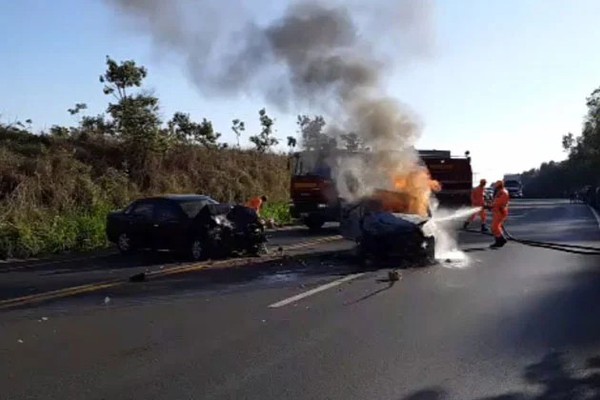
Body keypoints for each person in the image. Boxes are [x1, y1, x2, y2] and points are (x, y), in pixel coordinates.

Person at [489, 180, 510, 248]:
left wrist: (490, 206)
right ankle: (500, 240)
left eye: (496, 187)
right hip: (499, 211)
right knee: (497, 227)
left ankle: (500, 240)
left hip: (500, 211)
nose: (495, 188)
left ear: (498, 186)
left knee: (494, 227)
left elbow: (498, 202)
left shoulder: (502, 192)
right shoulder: (502, 191)